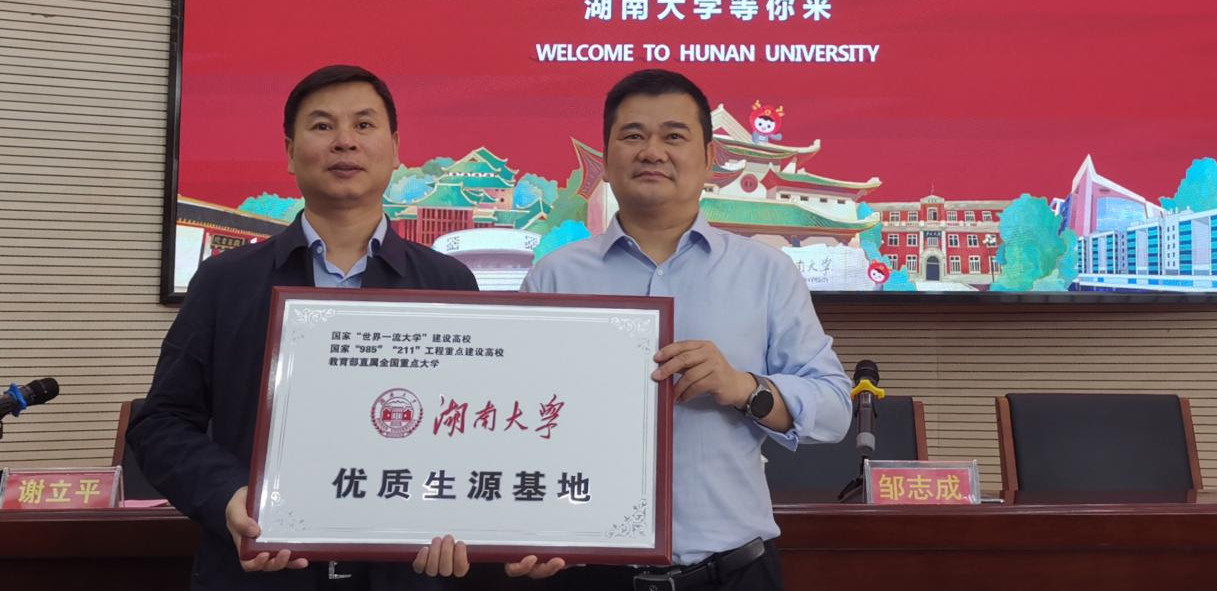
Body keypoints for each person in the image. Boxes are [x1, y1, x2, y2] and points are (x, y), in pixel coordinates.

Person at [129, 64, 560, 589]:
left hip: (406, 575)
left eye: (363, 125)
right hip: (262, 573)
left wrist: (489, 524)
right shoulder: (226, 281)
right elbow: (162, 424)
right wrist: (229, 495)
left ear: (395, 149)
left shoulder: (447, 281)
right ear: (290, 152)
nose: (344, 142)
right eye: (322, 126)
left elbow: (484, 429)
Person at [522, 69, 852, 591]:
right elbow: (518, 417)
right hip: (587, 573)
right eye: (633, 135)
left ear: (708, 158)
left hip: (732, 573)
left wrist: (744, 387)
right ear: (605, 157)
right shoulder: (554, 277)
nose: (652, 151)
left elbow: (834, 410)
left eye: (674, 136)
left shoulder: (766, 272)